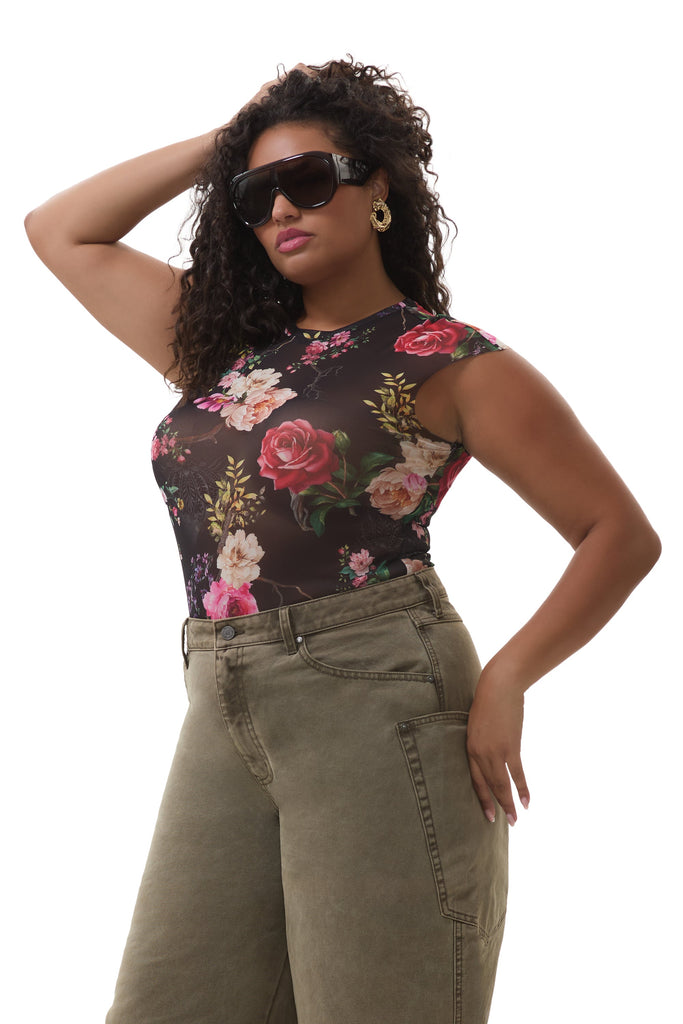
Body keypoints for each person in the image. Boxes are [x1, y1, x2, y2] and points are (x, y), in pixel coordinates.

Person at [24, 58, 660, 1024]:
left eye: (310, 179)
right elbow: (60, 229)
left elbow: (617, 534)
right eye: (256, 193)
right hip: (221, 695)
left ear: (378, 190)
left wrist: (507, 679)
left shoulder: (449, 360)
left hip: (376, 690)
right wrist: (230, 142)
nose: (282, 205)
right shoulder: (226, 351)